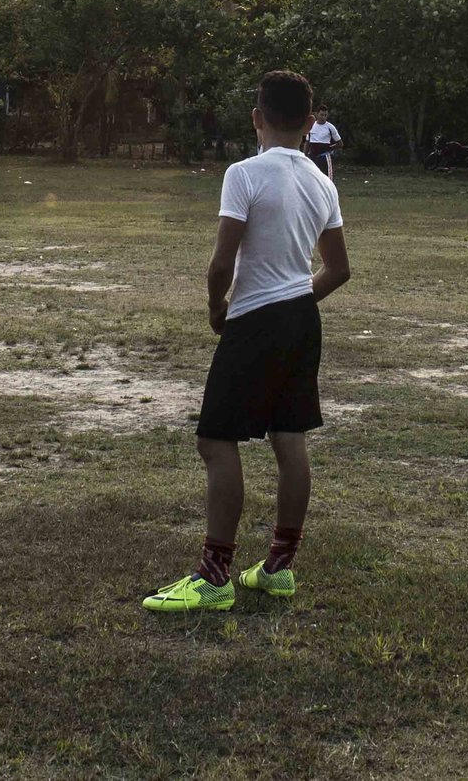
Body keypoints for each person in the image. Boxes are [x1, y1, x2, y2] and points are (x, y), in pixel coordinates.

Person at [144, 69, 352, 613]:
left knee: (216, 440)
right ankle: (279, 568)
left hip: (255, 320)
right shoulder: (322, 182)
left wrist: (218, 310)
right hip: (303, 321)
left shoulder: (244, 173)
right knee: (290, 438)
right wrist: (294, 298)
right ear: (310, 124)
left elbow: (220, 264)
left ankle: (214, 577)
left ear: (256, 118)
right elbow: (337, 269)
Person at [303, 106, 343, 180]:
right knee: (312, 177)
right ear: (316, 114)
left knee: (327, 177)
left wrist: (329, 148)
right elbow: (307, 142)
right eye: (321, 115)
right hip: (312, 156)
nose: (323, 117)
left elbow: (340, 143)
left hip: (324, 156)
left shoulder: (330, 127)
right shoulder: (311, 126)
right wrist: (304, 155)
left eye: (325, 115)